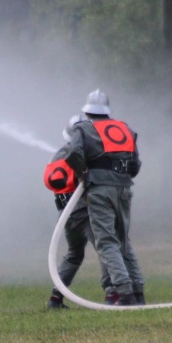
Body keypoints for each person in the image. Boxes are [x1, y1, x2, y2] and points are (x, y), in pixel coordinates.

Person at [64, 89, 145, 306]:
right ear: (106, 110)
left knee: (107, 241)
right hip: (124, 188)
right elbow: (135, 164)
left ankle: (124, 293)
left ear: (87, 111)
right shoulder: (125, 128)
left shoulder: (83, 128)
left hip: (99, 189)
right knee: (123, 241)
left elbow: (73, 153)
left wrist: (83, 172)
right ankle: (138, 293)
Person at [43, 115, 112, 309]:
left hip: (65, 214)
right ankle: (112, 294)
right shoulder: (83, 156)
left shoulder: (56, 155)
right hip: (84, 212)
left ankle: (56, 298)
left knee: (74, 253)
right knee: (106, 249)